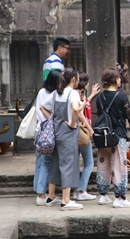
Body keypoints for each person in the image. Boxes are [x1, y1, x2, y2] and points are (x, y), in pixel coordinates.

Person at [40, 66, 83, 211]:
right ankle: (66, 200)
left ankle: (51, 196)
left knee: (56, 163)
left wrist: (52, 120)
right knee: (68, 165)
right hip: (68, 133)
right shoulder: (73, 93)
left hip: (56, 132)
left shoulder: (56, 93)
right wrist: (72, 124)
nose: (78, 80)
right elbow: (76, 109)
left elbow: (42, 107)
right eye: (77, 78)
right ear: (73, 79)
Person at [95, 67, 130, 208]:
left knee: (103, 164)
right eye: (119, 78)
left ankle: (103, 195)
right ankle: (120, 197)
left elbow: (100, 113)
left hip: (103, 134)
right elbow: (128, 114)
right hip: (118, 134)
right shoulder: (121, 96)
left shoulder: (100, 96)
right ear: (116, 79)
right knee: (119, 165)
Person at [34, 69, 63, 206]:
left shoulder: (42, 92)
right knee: (45, 162)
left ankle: (40, 191)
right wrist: (52, 120)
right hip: (47, 131)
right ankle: (41, 192)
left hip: (41, 129)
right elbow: (42, 110)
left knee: (41, 162)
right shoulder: (52, 94)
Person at [73, 71, 100, 201]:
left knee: (76, 162)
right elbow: (80, 113)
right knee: (89, 163)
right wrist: (90, 129)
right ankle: (81, 189)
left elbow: (83, 104)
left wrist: (92, 94)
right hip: (83, 131)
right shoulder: (80, 94)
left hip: (75, 132)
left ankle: (76, 190)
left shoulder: (77, 94)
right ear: (86, 83)